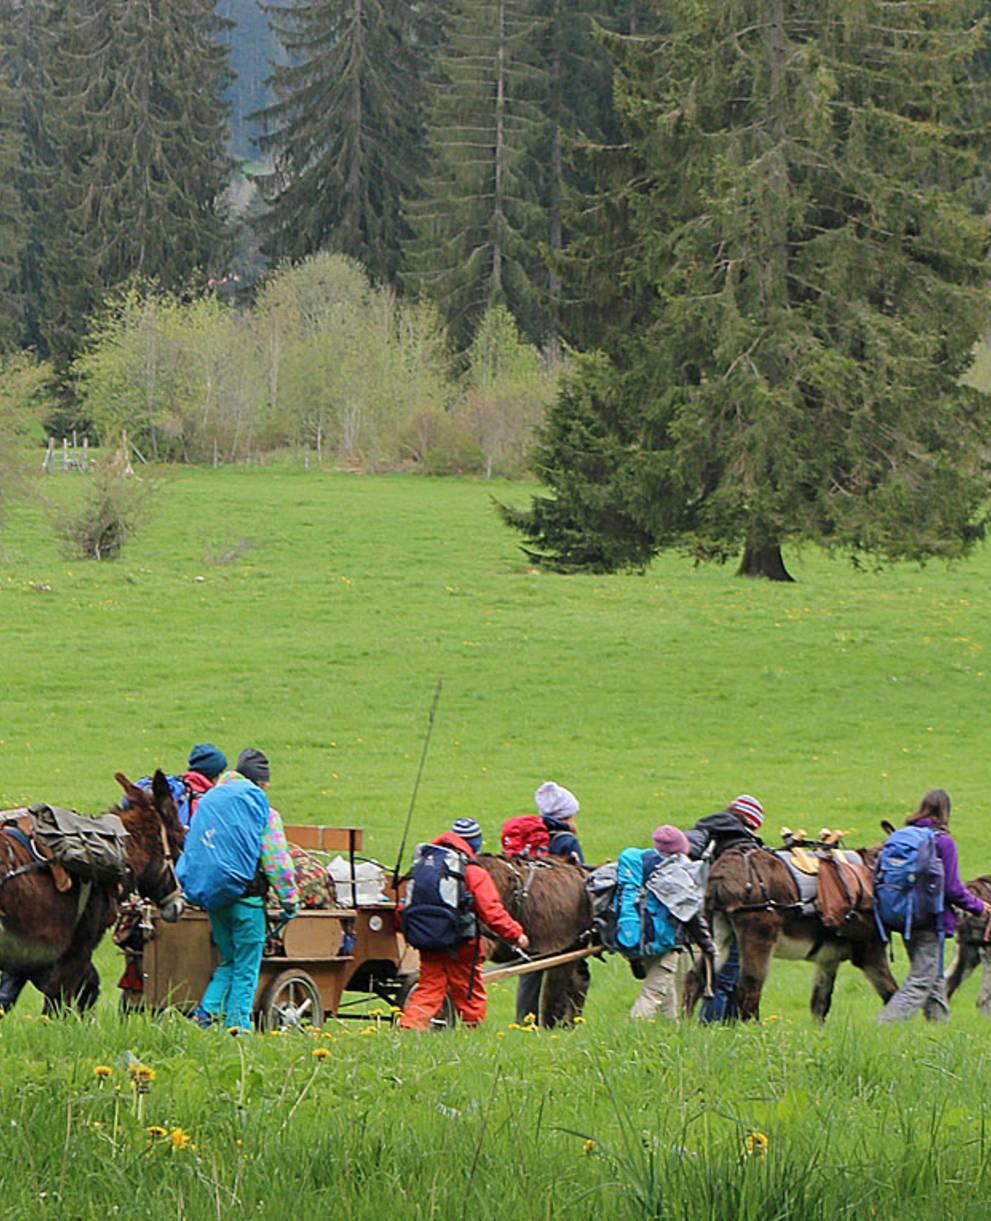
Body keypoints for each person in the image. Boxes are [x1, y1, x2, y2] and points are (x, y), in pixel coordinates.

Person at [181, 747, 298, 1032]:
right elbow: (277, 863)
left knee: (229, 961)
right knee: (246, 967)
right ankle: (239, 1029)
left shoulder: (212, 800)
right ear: (261, 783)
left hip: (215, 896)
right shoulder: (263, 810)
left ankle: (206, 1016)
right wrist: (290, 901)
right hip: (248, 901)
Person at [399, 817, 529, 1030]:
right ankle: (472, 1038)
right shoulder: (472, 871)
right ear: (474, 842)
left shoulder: (424, 865)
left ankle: (408, 1029)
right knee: (469, 993)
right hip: (461, 944)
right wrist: (516, 935)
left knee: (428, 989)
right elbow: (492, 912)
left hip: (426, 939)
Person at [878, 789, 991, 1024]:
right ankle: (884, 1026)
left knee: (935, 982)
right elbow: (953, 889)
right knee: (921, 981)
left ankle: (939, 1033)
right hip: (931, 921)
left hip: (905, 915)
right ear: (946, 811)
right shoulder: (943, 841)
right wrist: (979, 906)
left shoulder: (906, 835)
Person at [686, 794, 765, 1023]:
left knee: (720, 971)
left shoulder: (709, 833)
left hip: (703, 912)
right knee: (726, 974)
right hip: (733, 915)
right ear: (751, 823)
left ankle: (729, 1026)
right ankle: (710, 1027)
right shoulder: (741, 844)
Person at [515, 781, 587, 1024]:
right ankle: (563, 1020)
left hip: (529, 908)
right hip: (558, 912)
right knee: (571, 968)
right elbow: (578, 876)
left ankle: (525, 1020)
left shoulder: (529, 837)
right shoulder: (566, 841)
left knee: (529, 968)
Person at [629, 825, 714, 1020]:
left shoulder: (643, 864)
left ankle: (671, 1028)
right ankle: (630, 1031)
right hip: (666, 940)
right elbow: (691, 914)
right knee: (653, 992)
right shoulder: (678, 873)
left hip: (640, 936)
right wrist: (708, 945)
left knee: (667, 988)